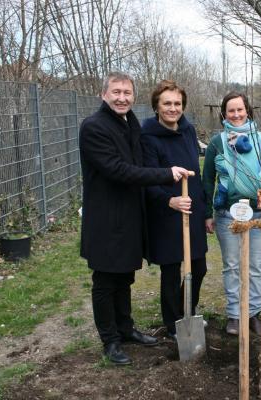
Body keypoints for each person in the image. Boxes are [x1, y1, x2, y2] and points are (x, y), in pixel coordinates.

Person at [79, 71, 190, 365]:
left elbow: (142, 158)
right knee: (105, 280)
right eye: (116, 92)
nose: (122, 98)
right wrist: (166, 174)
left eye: (127, 93)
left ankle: (126, 329)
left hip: (129, 217)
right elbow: (119, 170)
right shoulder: (94, 127)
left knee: (124, 277)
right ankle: (110, 341)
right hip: (105, 219)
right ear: (104, 94)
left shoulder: (129, 123)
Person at [203, 91, 261, 336]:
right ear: (224, 114)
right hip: (228, 213)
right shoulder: (217, 143)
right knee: (233, 266)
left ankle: (255, 314)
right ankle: (236, 316)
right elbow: (208, 180)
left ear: (248, 110)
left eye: (240, 109)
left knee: (257, 266)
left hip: (259, 213)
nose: (236, 114)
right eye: (231, 110)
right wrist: (208, 213)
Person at [140, 80, 208, 340]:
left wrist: (202, 205)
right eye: (166, 103)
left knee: (198, 267)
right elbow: (146, 177)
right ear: (157, 106)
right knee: (171, 270)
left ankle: (187, 312)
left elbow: (196, 172)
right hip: (166, 209)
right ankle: (172, 322)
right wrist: (169, 201)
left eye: (177, 103)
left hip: (193, 209)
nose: (173, 108)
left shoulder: (189, 131)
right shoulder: (148, 136)